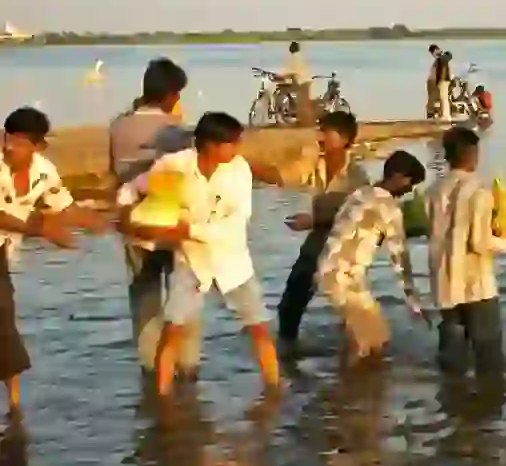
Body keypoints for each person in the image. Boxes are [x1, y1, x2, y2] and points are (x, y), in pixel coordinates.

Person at [116, 112, 280, 396]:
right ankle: (164, 398)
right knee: (173, 331)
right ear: (209, 145)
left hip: (233, 261)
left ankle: (275, 390)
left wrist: (186, 229)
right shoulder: (174, 166)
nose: (236, 149)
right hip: (192, 261)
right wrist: (129, 216)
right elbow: (133, 189)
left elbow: (235, 223)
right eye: (231, 143)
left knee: (259, 328)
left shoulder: (238, 170)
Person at [1, 107, 108, 411]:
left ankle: (14, 406)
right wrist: (38, 228)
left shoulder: (44, 171)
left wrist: (101, 223)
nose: (10, 148)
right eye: (8, 139)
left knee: (5, 323)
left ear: (38, 147)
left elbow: (64, 207)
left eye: (20, 143)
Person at [108, 58, 203, 376]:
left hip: (131, 223)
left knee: (144, 296)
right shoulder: (175, 131)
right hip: (169, 222)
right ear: (171, 94)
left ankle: (151, 368)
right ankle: (186, 366)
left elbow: (116, 174)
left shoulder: (118, 125)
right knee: (183, 295)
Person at [248, 112, 370, 343]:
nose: (320, 137)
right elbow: (281, 176)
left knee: (352, 314)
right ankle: (288, 355)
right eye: (319, 131)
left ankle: (360, 358)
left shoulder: (357, 176)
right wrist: (244, 163)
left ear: (344, 139)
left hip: (346, 249)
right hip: (317, 243)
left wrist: (314, 221)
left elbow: (358, 217)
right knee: (289, 307)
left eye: (325, 132)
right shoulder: (315, 162)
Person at [424, 127, 506, 380]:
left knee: (452, 356)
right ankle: (488, 409)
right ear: (472, 154)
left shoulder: (432, 191)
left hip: (443, 282)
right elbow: (480, 242)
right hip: (476, 285)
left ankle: (452, 408)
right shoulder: (479, 192)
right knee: (488, 357)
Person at [317, 150, 427, 362]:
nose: (409, 190)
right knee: (365, 345)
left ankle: (358, 384)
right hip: (343, 278)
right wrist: (414, 303)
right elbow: (400, 260)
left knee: (378, 340)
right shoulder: (390, 209)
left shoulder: (359, 194)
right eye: (410, 184)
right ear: (399, 177)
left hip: (330, 271)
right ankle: (347, 389)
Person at [276, 41, 314, 126]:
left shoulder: (294, 58)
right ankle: (303, 121)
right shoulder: (300, 57)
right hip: (305, 81)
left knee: (303, 104)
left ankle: (308, 123)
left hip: (302, 82)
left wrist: (280, 76)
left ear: (291, 49)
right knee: (304, 103)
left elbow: (290, 71)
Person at [425, 44, 453, 120]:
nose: (433, 54)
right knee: (439, 98)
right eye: (432, 53)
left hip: (442, 80)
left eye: (433, 52)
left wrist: (440, 80)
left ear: (437, 50)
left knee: (443, 98)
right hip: (439, 81)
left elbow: (443, 70)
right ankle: (441, 114)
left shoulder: (442, 58)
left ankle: (445, 115)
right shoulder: (439, 59)